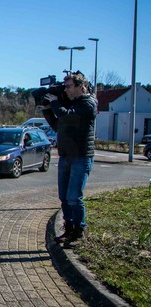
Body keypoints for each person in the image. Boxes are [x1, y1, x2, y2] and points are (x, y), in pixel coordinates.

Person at [42, 72, 97, 246]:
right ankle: (69, 228)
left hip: (81, 156)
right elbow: (59, 125)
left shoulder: (88, 104)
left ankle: (79, 229)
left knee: (74, 196)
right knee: (64, 196)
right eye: (64, 87)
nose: (66, 90)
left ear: (80, 86)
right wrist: (47, 111)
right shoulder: (70, 105)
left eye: (69, 86)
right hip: (66, 156)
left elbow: (67, 116)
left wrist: (55, 103)